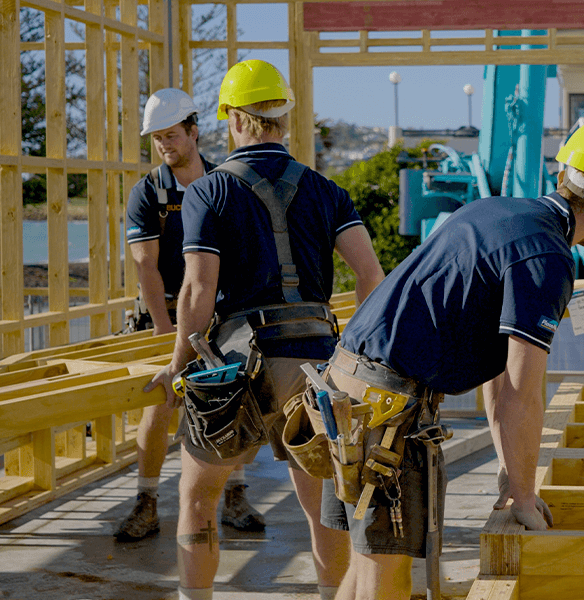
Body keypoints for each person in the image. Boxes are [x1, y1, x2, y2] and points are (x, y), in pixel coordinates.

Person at [319, 116, 584, 600]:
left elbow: (497, 375)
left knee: (368, 557)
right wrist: (522, 493)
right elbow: (522, 392)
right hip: (384, 408)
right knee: (385, 573)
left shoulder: (495, 210)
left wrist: (512, 473)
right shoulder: (548, 256)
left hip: (346, 388)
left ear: (563, 177)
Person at [146, 59, 384, 600]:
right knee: (323, 502)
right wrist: (348, 351)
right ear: (284, 117)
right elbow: (372, 276)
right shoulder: (326, 191)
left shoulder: (209, 192)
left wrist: (179, 366)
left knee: (199, 494)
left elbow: (196, 293)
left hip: (240, 370)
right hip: (319, 367)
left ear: (231, 116)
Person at [116, 88, 264, 541]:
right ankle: (146, 501)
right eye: (157, 139)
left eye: (172, 135)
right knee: (161, 406)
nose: (165, 146)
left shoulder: (225, 182)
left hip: (221, 318)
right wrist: (167, 334)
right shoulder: (149, 194)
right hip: (165, 315)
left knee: (237, 405)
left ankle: (235, 495)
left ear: (194, 131)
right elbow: (146, 264)